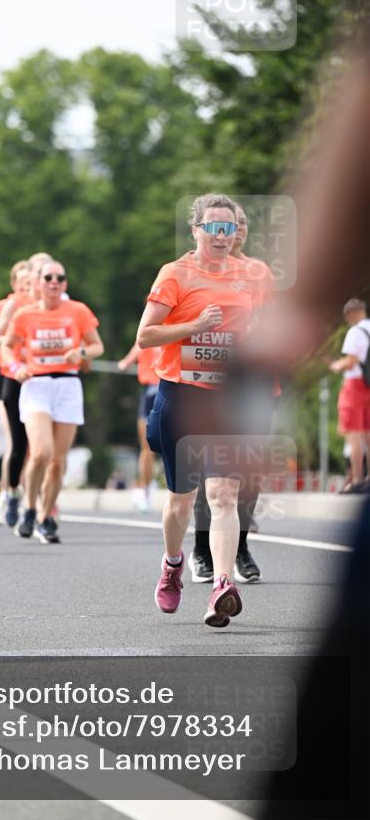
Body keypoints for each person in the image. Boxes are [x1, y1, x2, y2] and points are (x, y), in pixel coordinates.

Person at [138, 193, 263, 628]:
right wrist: (195, 326)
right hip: (181, 396)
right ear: (196, 231)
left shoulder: (248, 276)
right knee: (181, 501)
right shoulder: (175, 273)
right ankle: (172, 564)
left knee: (224, 494)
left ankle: (222, 586)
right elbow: (146, 336)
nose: (223, 235)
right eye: (214, 227)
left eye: (229, 227)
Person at [189, 202, 274, 584]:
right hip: (207, 382)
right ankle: (201, 549)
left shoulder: (258, 272)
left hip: (255, 384)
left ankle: (240, 548)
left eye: (241, 224)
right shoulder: (198, 268)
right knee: (209, 471)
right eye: (227, 224)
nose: (235, 230)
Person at [1, 260, 104, 543]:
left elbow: (97, 345)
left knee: (58, 462)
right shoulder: (25, 315)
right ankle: (29, 508)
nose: (54, 282)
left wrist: (81, 353)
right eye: (48, 277)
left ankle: (46, 517)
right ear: (38, 283)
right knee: (40, 452)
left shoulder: (78, 311)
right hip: (36, 385)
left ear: (65, 283)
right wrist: (16, 368)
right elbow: (7, 347)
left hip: (68, 385)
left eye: (60, 278)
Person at [0, 262, 33, 527]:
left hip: (35, 376)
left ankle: (32, 499)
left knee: (35, 446)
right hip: (8, 376)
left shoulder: (44, 307)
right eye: (22, 282)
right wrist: (11, 340)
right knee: (16, 441)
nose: (26, 287)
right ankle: (7, 494)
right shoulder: (5, 306)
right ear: (14, 284)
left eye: (30, 282)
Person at [329, 298, 370, 489]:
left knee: (354, 434)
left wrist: (337, 365)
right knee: (368, 434)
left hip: (355, 385)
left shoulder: (355, 331)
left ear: (350, 314)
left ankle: (358, 480)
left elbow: (351, 361)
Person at [117, 343, 161, 511]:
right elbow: (138, 346)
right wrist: (126, 362)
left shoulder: (180, 328)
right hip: (155, 390)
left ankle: (147, 490)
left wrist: (125, 363)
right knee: (148, 446)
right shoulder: (153, 330)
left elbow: (126, 362)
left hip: (167, 388)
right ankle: (146, 489)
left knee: (154, 446)